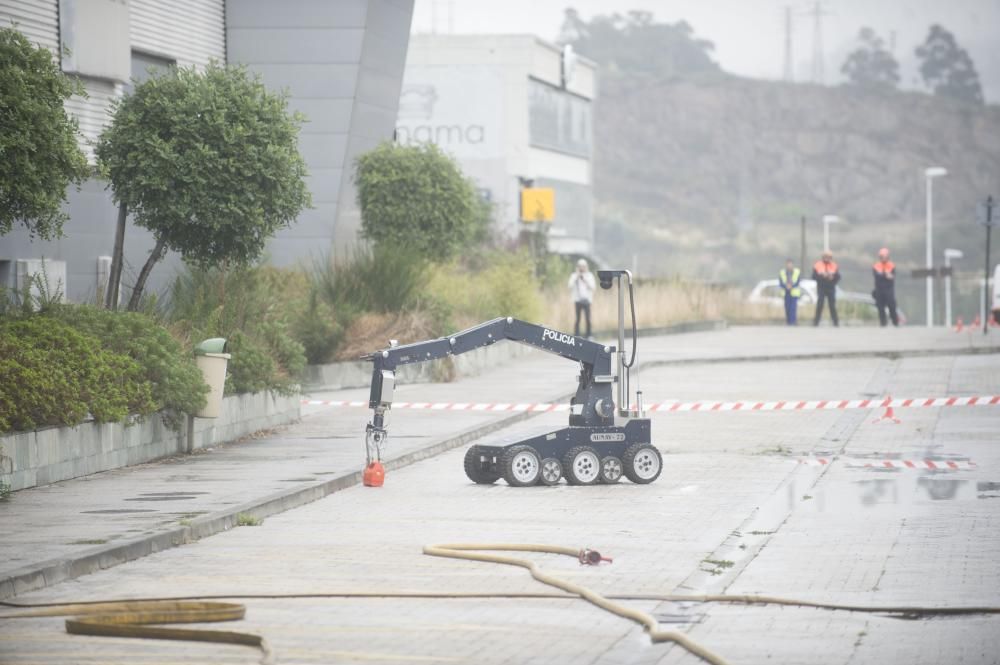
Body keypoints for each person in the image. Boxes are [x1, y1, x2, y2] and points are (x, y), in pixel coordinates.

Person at [812, 250, 841, 327]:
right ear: (823, 257)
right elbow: (813, 276)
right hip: (821, 287)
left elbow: (838, 277)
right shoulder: (817, 265)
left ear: (831, 258)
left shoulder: (834, 265)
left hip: (831, 288)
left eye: (828, 257)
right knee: (820, 304)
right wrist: (822, 277)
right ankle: (816, 322)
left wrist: (832, 278)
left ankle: (836, 322)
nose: (827, 258)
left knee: (832, 305)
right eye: (825, 257)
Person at [568, 258, 596, 337]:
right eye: (580, 266)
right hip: (577, 300)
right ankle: (576, 335)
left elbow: (593, 287)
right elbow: (569, 286)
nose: (582, 268)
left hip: (587, 300)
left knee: (588, 319)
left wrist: (584, 279)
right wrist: (577, 276)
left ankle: (589, 335)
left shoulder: (589, 275)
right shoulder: (574, 275)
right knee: (577, 319)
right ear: (578, 267)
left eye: (583, 266)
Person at [872, 247, 899, 327]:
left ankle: (895, 321)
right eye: (882, 256)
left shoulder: (891, 265)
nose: (883, 258)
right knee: (880, 306)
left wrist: (884, 275)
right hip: (879, 289)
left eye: (885, 256)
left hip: (889, 289)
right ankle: (883, 322)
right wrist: (886, 275)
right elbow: (877, 276)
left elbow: (892, 276)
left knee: (892, 305)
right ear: (879, 257)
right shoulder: (876, 266)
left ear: (888, 257)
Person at [779, 259, 801, 325]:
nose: (789, 266)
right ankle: (788, 321)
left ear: (792, 265)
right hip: (786, 292)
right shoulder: (782, 272)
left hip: (794, 292)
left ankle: (793, 322)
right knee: (787, 307)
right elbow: (780, 283)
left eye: (790, 264)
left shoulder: (797, 272)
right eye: (788, 264)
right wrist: (786, 286)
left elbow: (798, 282)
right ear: (786, 265)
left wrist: (791, 286)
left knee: (793, 308)